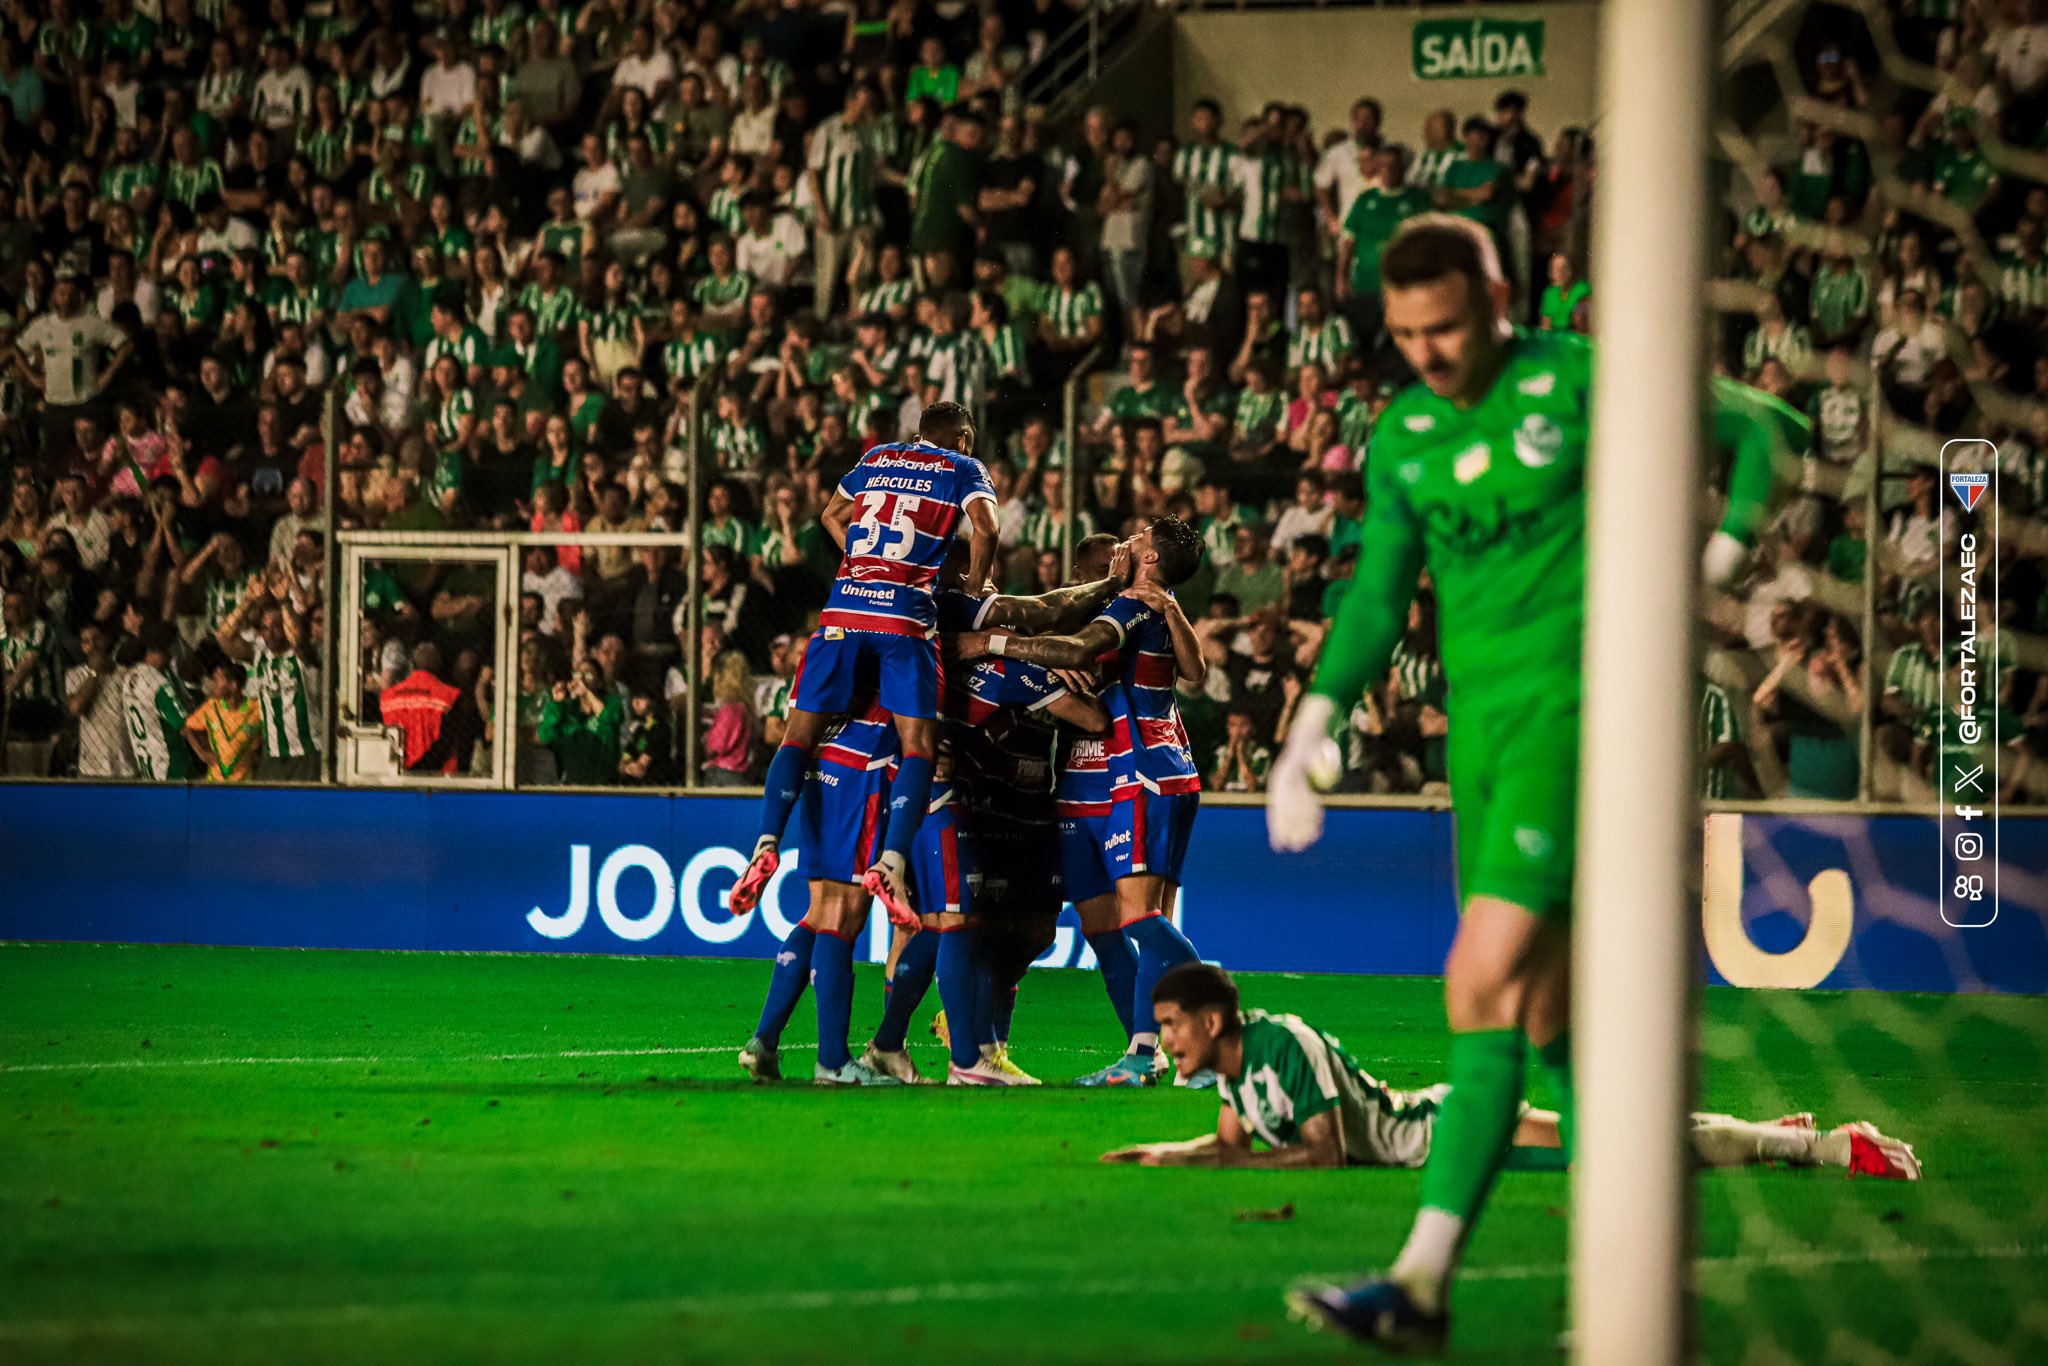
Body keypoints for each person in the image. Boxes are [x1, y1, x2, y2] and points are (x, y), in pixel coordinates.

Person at [1264, 216, 1806, 1350]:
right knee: (1553, 1029)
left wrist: (1714, 558)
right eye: (1406, 332)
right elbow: (1374, 598)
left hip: (1584, 716)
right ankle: (1634, 1280)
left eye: (1447, 326)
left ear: (1499, 296)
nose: (1427, 351)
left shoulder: (1582, 377)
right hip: (1483, 741)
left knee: (1480, 976)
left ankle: (1418, 1280)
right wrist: (1309, 722)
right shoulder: (1403, 433)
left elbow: (1766, 427)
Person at [1105, 964, 1923, 1180]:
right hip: (1435, 1123)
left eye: (1171, 1026)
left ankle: (1822, 1148)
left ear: (1212, 1022)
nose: (1166, 1041)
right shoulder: (1230, 1074)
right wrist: (1162, 1158)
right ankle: (1759, 1137)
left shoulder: (1285, 1043)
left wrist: (1229, 1165)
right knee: (1610, 1144)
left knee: (1620, 1159)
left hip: (1449, 1133)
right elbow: (1226, 1143)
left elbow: (1323, 1153)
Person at [955, 515, 1211, 1087]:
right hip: (1080, 785)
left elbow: (1082, 655)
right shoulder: (1105, 609)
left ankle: (1186, 1026)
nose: (1120, 554)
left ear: (1146, 562)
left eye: (1130, 546)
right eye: (1098, 569)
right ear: (1079, 578)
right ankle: (1143, 1049)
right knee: (1104, 931)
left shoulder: (1131, 611)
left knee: (1142, 920)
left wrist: (997, 648)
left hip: (1132, 776)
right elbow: (1191, 668)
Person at [727, 400, 1000, 927]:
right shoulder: (963, 467)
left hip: (844, 607)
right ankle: (891, 863)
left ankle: (765, 844)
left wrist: (858, 558)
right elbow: (986, 530)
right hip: (904, 614)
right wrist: (973, 582)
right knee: (919, 746)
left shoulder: (878, 456)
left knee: (796, 738)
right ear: (963, 438)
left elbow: (831, 514)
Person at [184, 660, 264, 783]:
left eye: (217, 680)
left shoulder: (256, 708)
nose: (213, 684)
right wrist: (202, 753)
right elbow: (188, 728)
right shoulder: (212, 706)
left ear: (233, 685)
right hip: (214, 780)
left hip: (245, 780)